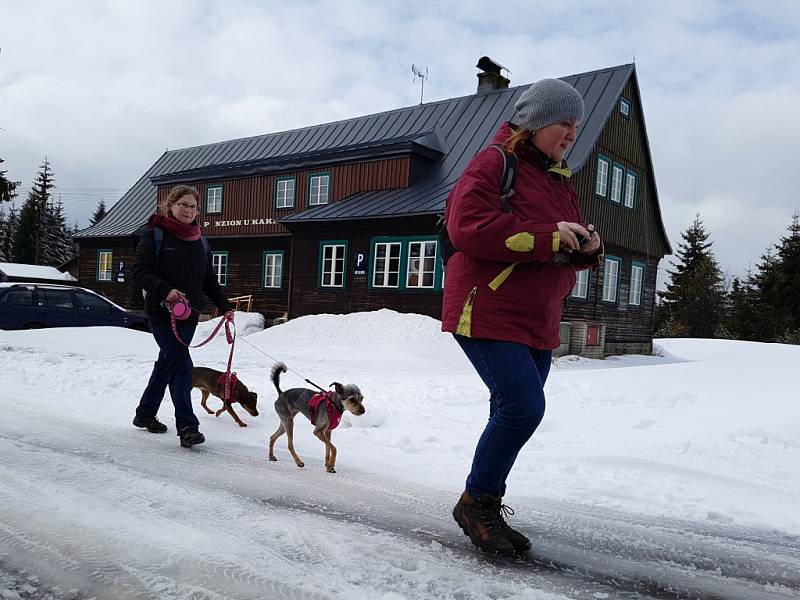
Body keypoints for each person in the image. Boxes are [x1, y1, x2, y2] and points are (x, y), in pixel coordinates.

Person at [441, 78, 602, 554]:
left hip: (538, 314)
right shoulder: (495, 162)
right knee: (523, 408)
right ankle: (476, 503)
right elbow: (467, 227)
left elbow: (554, 239)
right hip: (488, 307)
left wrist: (585, 246)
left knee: (510, 409)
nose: (572, 133)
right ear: (532, 123)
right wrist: (552, 237)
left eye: (577, 125)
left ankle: (484, 502)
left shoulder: (558, 178)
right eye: (563, 123)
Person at [132, 185, 233, 448]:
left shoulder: (200, 240)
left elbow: (208, 279)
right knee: (181, 365)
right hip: (161, 313)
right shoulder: (154, 235)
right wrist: (165, 290)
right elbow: (139, 272)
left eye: (193, 206)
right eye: (183, 204)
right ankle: (187, 426)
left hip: (189, 316)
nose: (188, 210)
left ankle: (144, 414)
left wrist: (225, 306)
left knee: (166, 364)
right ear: (171, 205)